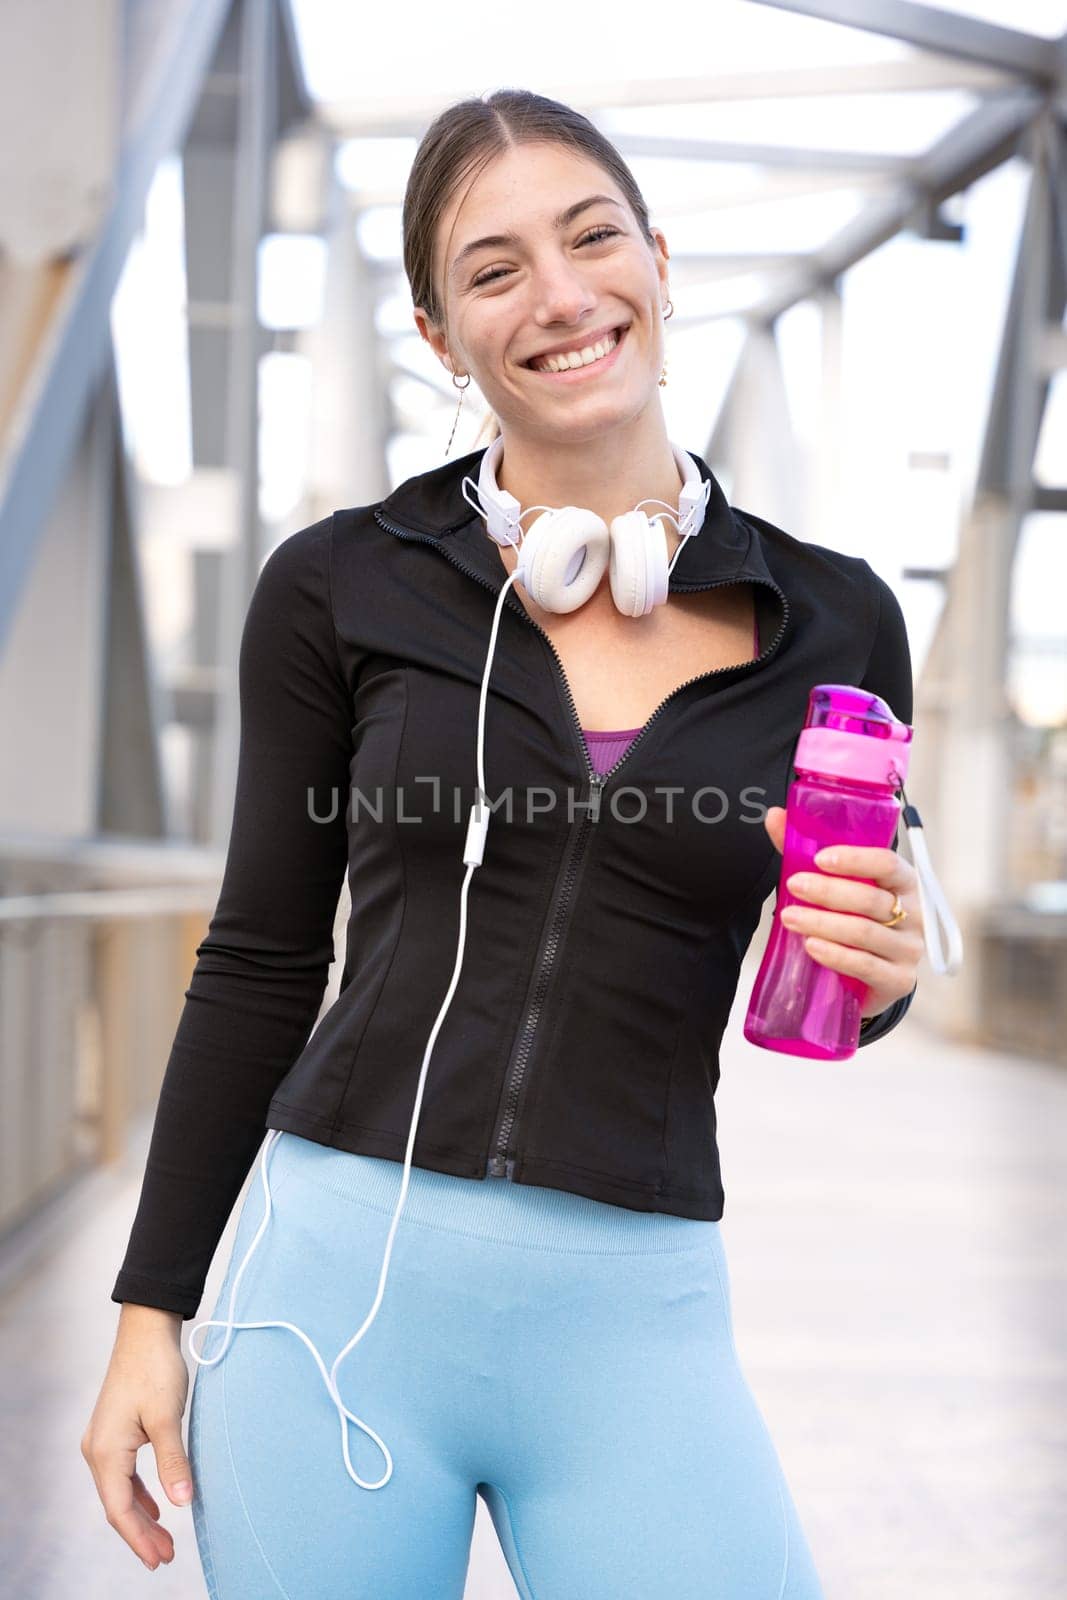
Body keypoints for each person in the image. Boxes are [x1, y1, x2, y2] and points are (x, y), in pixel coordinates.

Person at [81, 88, 925, 1597]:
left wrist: (895, 963)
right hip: (324, 1315)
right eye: (494, 269)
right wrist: (152, 1311)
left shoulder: (836, 618)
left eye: (593, 237)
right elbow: (262, 962)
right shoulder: (344, 585)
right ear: (435, 334)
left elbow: (852, 972)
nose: (560, 294)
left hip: (638, 1313)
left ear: (661, 263)